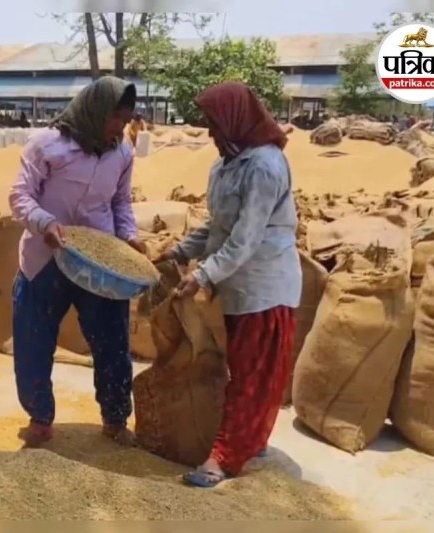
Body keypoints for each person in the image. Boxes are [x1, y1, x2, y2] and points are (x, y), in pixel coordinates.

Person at [153, 81, 302, 488]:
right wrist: (180, 253)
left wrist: (201, 275)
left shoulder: (265, 166)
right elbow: (216, 226)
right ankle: (247, 438)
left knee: (255, 376)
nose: (211, 134)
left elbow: (246, 237)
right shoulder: (224, 166)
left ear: (235, 121)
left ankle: (225, 457)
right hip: (235, 286)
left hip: (265, 286)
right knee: (238, 371)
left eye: (215, 125)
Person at [8, 76, 145, 448]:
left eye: (125, 119)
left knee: (113, 341)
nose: (119, 127)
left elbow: (120, 202)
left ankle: (115, 417)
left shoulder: (122, 153)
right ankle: (40, 417)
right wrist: (45, 224)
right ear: (95, 110)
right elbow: (20, 196)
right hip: (45, 256)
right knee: (34, 339)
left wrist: (129, 236)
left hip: (99, 262)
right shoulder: (47, 146)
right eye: (114, 118)